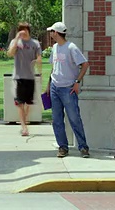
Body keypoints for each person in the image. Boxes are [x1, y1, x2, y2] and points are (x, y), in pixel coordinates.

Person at [46, 21, 90, 158]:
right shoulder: (54, 48)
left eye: (52, 31)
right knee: (57, 119)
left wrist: (77, 82)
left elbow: (85, 64)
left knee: (74, 118)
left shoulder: (71, 48)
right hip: (55, 87)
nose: (50, 34)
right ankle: (62, 147)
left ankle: (83, 147)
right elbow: (54, 67)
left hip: (68, 88)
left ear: (57, 33)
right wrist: (48, 85)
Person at [7, 22, 42, 137]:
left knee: (29, 103)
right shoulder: (16, 42)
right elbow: (10, 53)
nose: (23, 32)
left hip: (30, 77)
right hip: (18, 77)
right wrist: (17, 38)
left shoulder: (35, 43)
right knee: (20, 103)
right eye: (21, 29)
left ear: (29, 30)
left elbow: (39, 57)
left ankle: (24, 121)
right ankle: (24, 127)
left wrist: (38, 65)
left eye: (25, 29)